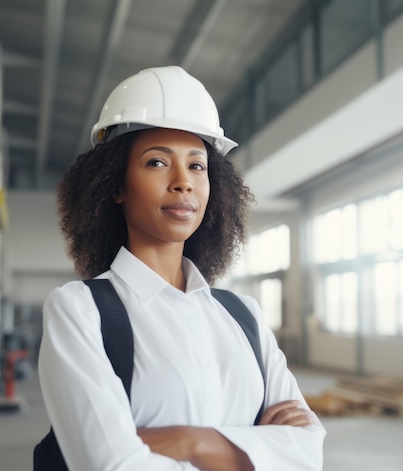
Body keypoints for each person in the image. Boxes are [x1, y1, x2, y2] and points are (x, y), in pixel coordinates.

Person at [38, 65, 326, 470]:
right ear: (115, 185)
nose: (183, 182)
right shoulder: (80, 311)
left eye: (197, 165)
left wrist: (194, 443)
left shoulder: (244, 316)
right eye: (157, 162)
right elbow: (112, 466)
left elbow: (309, 455)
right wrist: (255, 451)